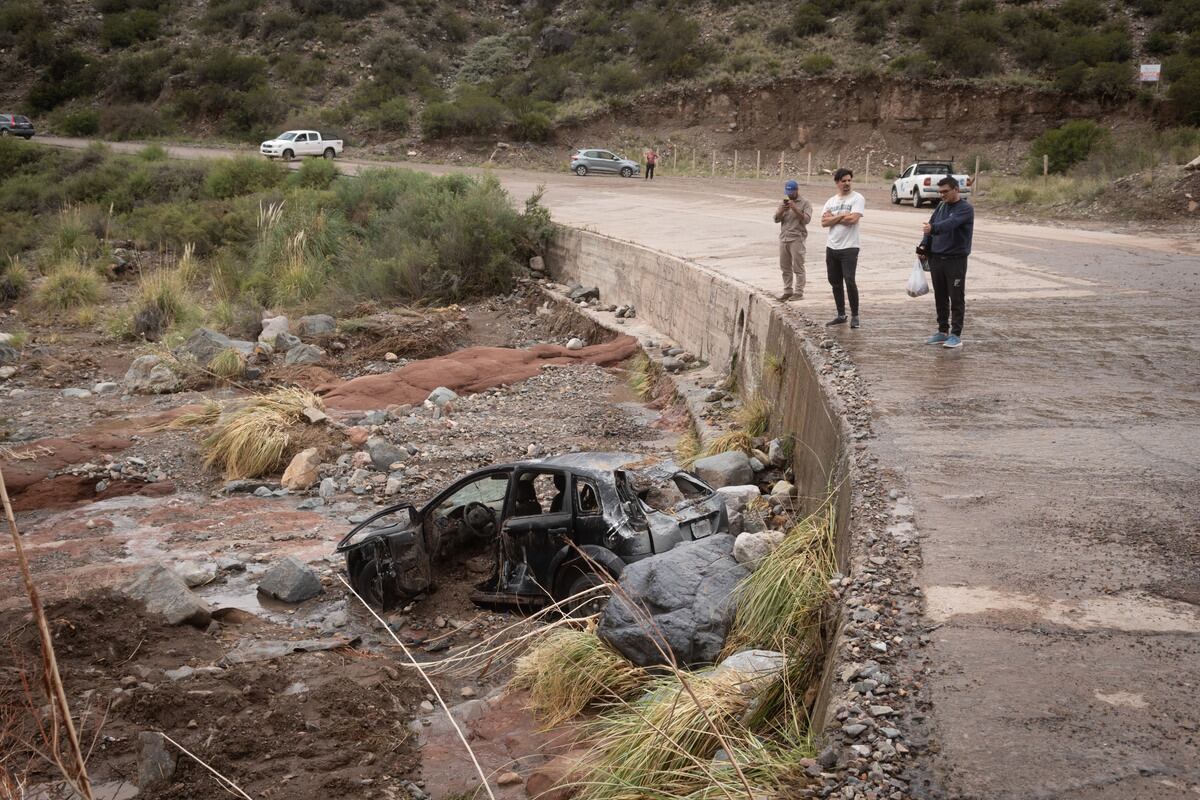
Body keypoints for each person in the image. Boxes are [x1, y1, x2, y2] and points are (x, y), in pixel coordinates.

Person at [916, 175, 974, 349]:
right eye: (940, 192)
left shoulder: (965, 209)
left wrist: (933, 229)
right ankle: (942, 331)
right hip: (937, 259)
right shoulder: (941, 206)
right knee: (940, 297)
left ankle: (956, 335)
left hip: (955, 260)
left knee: (956, 297)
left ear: (956, 189)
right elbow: (930, 227)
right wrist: (924, 247)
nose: (942, 195)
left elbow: (950, 224)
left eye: (945, 191)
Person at [820, 168, 865, 328]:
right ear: (837, 182)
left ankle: (855, 315)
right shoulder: (831, 201)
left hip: (850, 247)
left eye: (849, 180)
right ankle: (841, 314)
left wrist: (834, 217)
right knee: (835, 282)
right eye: (843, 181)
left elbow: (853, 219)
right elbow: (824, 222)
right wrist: (841, 217)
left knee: (849, 280)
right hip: (832, 247)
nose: (847, 183)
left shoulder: (857, 198)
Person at [773, 179, 812, 301]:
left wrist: (795, 208)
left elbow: (806, 220)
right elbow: (776, 219)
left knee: (798, 266)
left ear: (797, 190)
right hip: (784, 238)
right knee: (785, 266)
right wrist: (781, 210)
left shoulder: (805, 203)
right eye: (787, 192)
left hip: (797, 238)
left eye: (791, 192)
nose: (789, 194)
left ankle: (799, 292)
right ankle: (788, 290)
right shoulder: (783, 203)